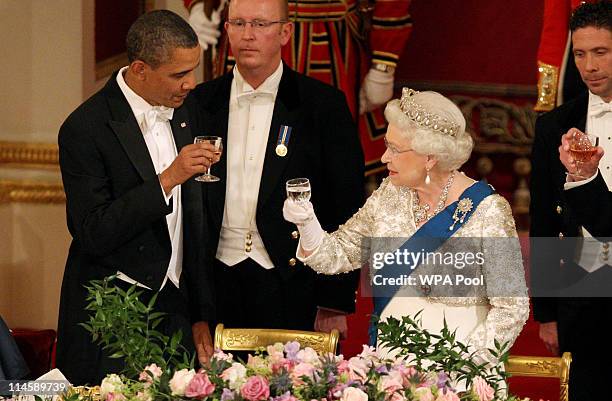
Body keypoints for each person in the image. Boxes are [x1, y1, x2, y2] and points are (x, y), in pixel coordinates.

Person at [283, 88, 529, 365]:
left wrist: (462, 367)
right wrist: (307, 222)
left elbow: (512, 308)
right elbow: (336, 255)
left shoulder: (488, 210)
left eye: (395, 149)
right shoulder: (390, 193)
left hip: (461, 372)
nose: (384, 157)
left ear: (430, 157)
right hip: (391, 368)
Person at [56, 10, 218, 385]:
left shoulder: (185, 109)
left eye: (192, 70)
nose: (191, 83)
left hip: (176, 312)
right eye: (179, 74)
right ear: (140, 69)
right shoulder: (84, 128)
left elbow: (193, 224)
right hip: (110, 318)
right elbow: (93, 231)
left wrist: (199, 314)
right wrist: (168, 179)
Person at [189, 0, 365, 335]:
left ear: (285, 32)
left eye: (260, 24)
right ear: (225, 30)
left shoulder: (322, 106)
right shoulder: (199, 103)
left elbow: (347, 206)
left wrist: (334, 300)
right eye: (238, 24)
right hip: (215, 282)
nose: (248, 35)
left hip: (292, 282)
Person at [185, 0, 413, 173]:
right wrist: (198, 4)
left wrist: (385, 61)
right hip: (247, 35)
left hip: (327, 45)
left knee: (327, 165)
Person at [530, 2, 612, 400]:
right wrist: (546, 313)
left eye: (601, 52)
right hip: (585, 289)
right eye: (580, 54)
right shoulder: (555, 125)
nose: (589, 66)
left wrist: (586, 180)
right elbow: (544, 220)